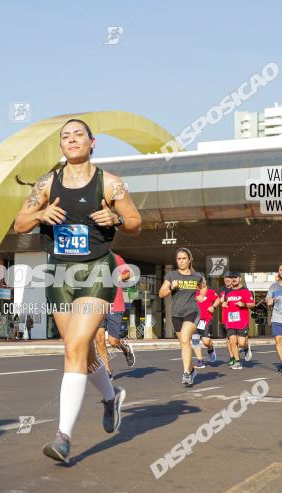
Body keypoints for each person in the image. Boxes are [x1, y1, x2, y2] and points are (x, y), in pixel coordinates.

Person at [13, 118, 141, 463]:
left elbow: (135, 222)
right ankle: (112, 397)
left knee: (74, 346)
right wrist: (41, 214)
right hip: (60, 273)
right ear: (61, 146)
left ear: (92, 142)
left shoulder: (110, 184)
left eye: (78, 135)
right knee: (80, 352)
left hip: (96, 270)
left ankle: (63, 437)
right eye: (65, 137)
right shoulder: (46, 184)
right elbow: (19, 223)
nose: (72, 140)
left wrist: (115, 220)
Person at [158, 248, 206, 384]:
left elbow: (203, 287)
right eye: (178, 259)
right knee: (184, 343)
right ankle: (191, 370)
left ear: (189, 259)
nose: (181, 261)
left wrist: (201, 295)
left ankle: (186, 374)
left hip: (192, 311)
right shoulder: (171, 276)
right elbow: (161, 293)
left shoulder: (197, 276)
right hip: (176, 314)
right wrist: (171, 287)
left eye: (184, 258)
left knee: (185, 338)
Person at [95, 252, 136, 378]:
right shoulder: (88, 260)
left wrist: (118, 278)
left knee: (113, 341)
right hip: (96, 304)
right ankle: (107, 371)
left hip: (115, 303)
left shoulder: (115, 257)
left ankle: (125, 348)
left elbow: (128, 273)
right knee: (99, 338)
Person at [218, 272, 254, 370]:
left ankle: (246, 347)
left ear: (240, 279)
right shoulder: (227, 292)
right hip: (230, 321)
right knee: (232, 341)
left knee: (241, 343)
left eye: (235, 277)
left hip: (242, 321)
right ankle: (237, 362)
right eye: (231, 277)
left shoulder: (245, 291)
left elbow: (252, 304)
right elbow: (224, 303)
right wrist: (223, 304)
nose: (233, 279)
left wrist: (243, 304)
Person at [193, 277, 219, 369]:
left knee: (206, 341)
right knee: (195, 341)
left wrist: (213, 307)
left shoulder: (210, 291)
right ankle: (200, 361)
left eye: (200, 282)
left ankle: (211, 348)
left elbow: (217, 299)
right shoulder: (191, 292)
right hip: (193, 321)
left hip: (205, 319)